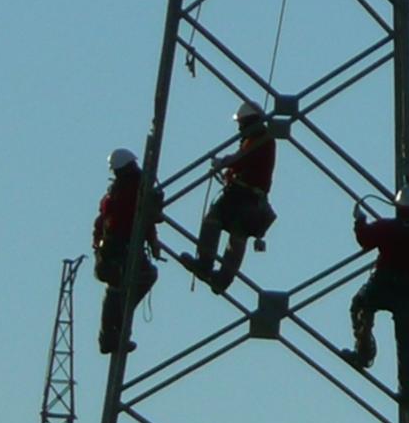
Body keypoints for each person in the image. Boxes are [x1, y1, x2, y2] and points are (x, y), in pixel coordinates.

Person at [340, 185, 409, 370]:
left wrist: (360, 220)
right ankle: (406, 387)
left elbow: (365, 238)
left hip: (382, 285)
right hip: (408, 292)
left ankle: (363, 352)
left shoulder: (387, 227)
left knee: (361, 306)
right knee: (406, 342)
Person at [181, 101, 277, 293]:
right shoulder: (258, 139)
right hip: (247, 198)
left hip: (244, 197)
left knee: (219, 223)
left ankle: (208, 267)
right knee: (233, 232)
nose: (239, 128)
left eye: (241, 123)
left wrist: (223, 163)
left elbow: (242, 159)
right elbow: (242, 159)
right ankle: (218, 275)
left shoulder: (260, 139)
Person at [93, 148, 161, 354]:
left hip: (113, 248)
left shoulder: (114, 194)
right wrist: (153, 240)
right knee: (142, 278)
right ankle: (117, 324)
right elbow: (144, 218)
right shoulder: (131, 191)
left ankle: (110, 333)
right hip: (123, 247)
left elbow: (102, 224)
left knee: (116, 289)